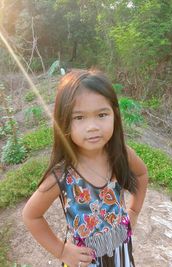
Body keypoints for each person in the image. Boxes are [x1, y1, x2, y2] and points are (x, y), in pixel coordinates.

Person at [22, 69, 148, 267]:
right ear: (64, 121)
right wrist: (62, 250)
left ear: (114, 114)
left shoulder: (120, 153)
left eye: (101, 115)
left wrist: (134, 211)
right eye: (79, 118)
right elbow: (31, 215)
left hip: (121, 250)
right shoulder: (63, 175)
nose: (92, 126)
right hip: (86, 260)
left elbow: (141, 173)